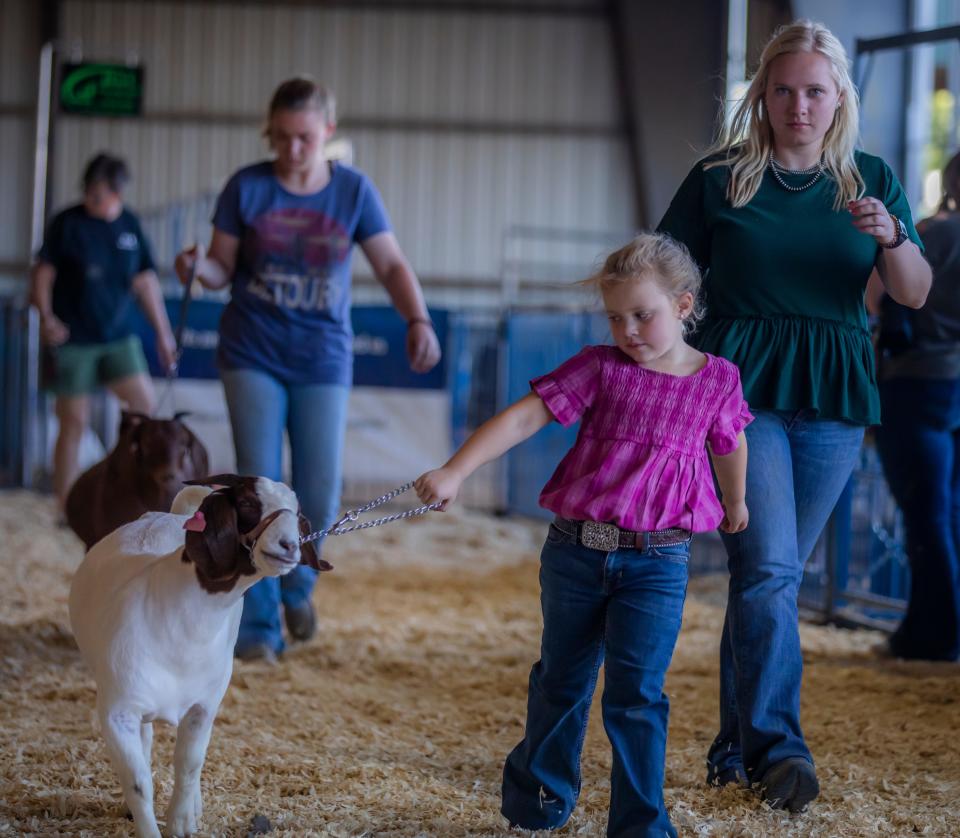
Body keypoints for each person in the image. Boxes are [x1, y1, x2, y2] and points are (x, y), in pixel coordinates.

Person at [657, 19, 932, 811]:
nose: (799, 104)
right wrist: (669, 360)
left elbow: (912, 291)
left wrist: (891, 238)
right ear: (763, 96)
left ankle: (733, 748)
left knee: (766, 578)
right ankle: (782, 752)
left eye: (814, 90)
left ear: (838, 95)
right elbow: (664, 274)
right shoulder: (720, 178)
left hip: (836, 396)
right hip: (741, 397)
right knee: (772, 569)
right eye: (783, 89)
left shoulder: (870, 178)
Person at [415, 233, 752, 838]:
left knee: (637, 693)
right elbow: (524, 416)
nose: (628, 330)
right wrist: (456, 470)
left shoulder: (718, 380)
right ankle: (536, 807)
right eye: (616, 317)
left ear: (683, 304)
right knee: (561, 679)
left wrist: (736, 500)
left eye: (642, 315)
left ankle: (641, 824)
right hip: (575, 552)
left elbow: (729, 442)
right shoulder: (598, 368)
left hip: (658, 561)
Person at [175, 77, 441, 664]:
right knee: (258, 483)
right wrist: (197, 269)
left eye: (304, 137)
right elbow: (221, 267)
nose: (292, 149)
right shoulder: (247, 187)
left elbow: (391, 263)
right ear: (269, 131)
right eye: (282, 137)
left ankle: (298, 585)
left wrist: (417, 320)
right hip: (252, 350)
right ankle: (257, 624)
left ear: (327, 132)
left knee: (318, 485)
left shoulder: (353, 192)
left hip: (322, 355)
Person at [29, 152, 176, 517]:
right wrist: (45, 316)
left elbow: (145, 283)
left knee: (144, 409)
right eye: (88, 192)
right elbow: (43, 273)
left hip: (119, 336)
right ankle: (65, 506)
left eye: (99, 194)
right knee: (73, 420)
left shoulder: (130, 226)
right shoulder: (67, 223)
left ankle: (129, 490)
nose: (91, 200)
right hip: (74, 339)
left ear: (117, 193)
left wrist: (163, 334)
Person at [868, 150, 960, 662]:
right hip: (954, 382)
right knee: (950, 512)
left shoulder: (934, 232)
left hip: (918, 379)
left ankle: (933, 635)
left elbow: (879, 298)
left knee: (926, 514)